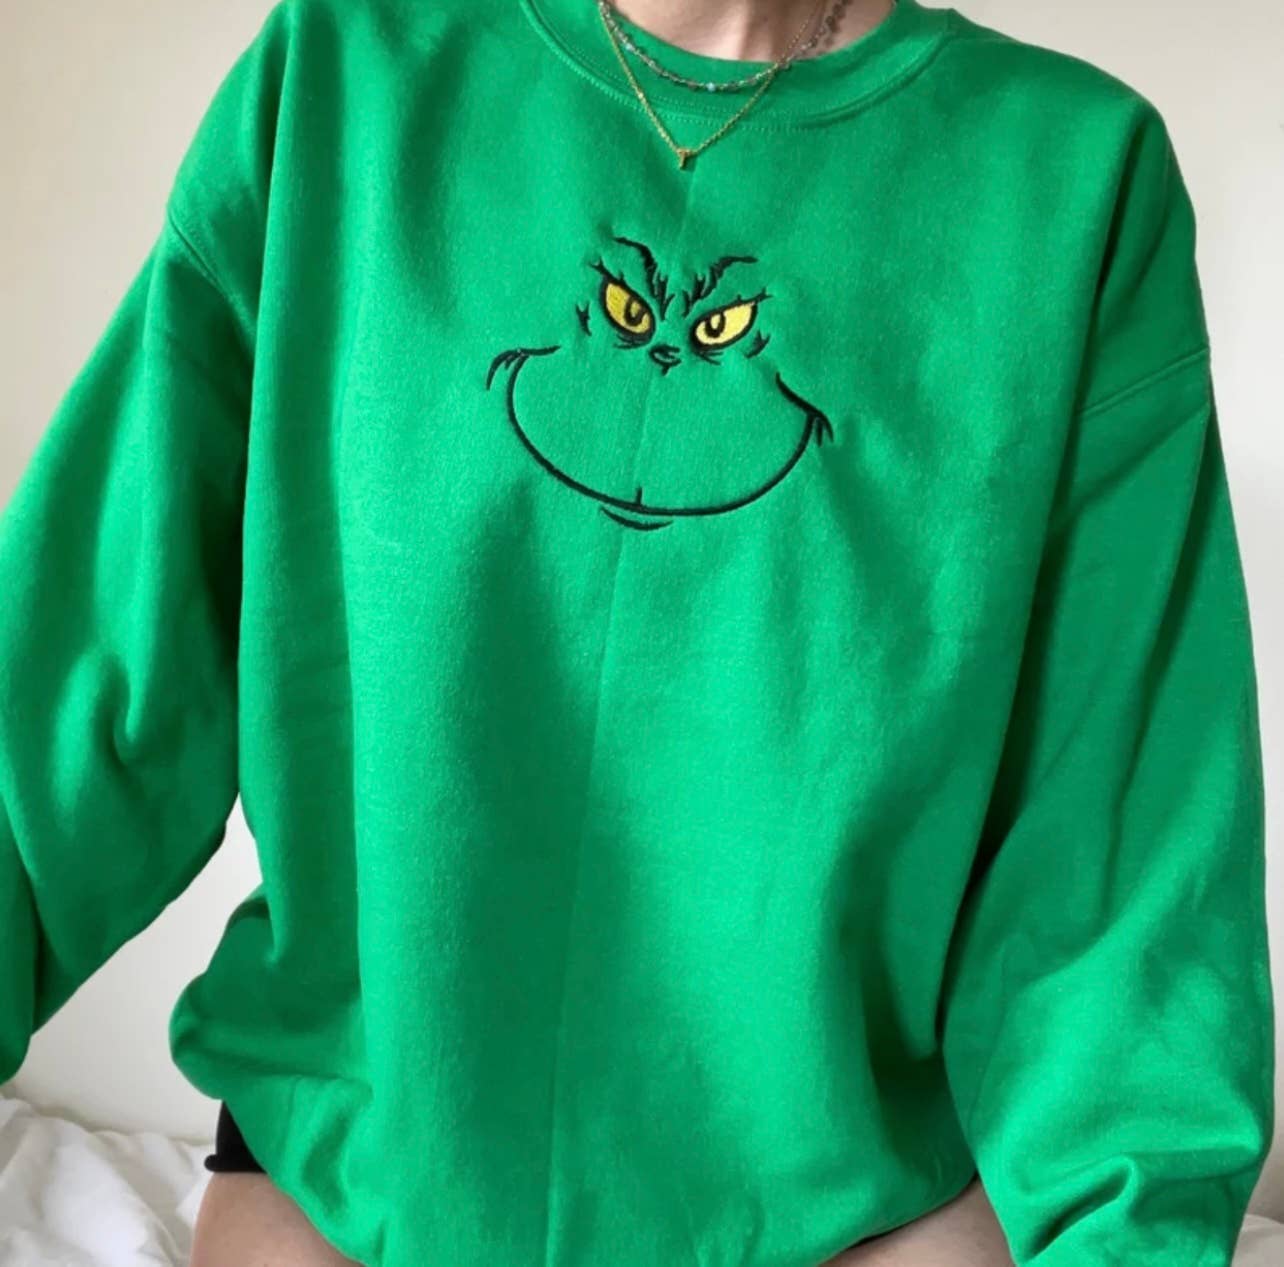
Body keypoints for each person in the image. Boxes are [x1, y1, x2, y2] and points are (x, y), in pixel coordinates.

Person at [0, 0, 1273, 1264]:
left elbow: (1122, 862)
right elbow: (76, 686)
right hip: (357, 1177)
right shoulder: (343, 76)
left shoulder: (1074, 179)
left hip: (860, 1204)